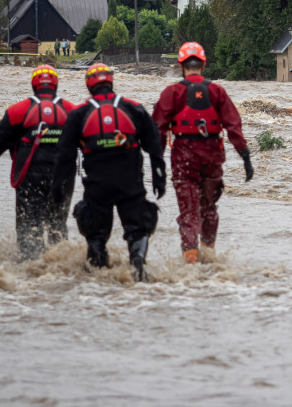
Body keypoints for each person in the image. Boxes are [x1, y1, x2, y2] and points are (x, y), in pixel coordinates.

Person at [52, 63, 165, 279]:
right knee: (138, 229)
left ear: (88, 85)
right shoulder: (134, 108)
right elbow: (155, 147)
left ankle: (98, 279)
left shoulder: (79, 114)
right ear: (111, 82)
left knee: (95, 234)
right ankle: (138, 264)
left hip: (97, 186)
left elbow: (64, 156)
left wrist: (58, 188)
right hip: (130, 183)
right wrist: (159, 178)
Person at [152, 41, 253, 264]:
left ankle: (190, 266)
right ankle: (208, 259)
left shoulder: (172, 92)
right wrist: (245, 156)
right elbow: (233, 125)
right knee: (209, 209)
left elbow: (157, 129)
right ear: (203, 65)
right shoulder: (217, 91)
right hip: (212, 157)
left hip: (184, 157)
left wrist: (156, 164)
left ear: (181, 66)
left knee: (189, 211)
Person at [0, 65, 79, 260]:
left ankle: (30, 269)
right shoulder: (72, 111)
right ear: (55, 85)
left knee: (29, 228)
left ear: (33, 85)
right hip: (63, 179)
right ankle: (61, 268)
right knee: (57, 225)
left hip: (29, 180)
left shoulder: (18, 111)